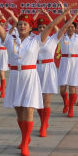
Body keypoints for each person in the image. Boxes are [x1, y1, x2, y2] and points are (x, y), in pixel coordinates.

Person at [0, 0, 72, 156]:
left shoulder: (36, 40)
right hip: (15, 76)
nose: (21, 26)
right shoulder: (9, 40)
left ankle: (25, 142)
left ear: (30, 28)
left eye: (25, 24)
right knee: (19, 110)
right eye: (20, 24)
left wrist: (64, 15)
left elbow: (51, 27)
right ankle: (24, 138)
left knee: (28, 109)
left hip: (30, 77)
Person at [54, 7, 78, 117]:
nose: (71, 28)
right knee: (62, 89)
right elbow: (53, 24)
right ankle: (66, 103)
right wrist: (65, 12)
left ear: (75, 28)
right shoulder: (62, 36)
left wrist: (76, 13)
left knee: (73, 87)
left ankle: (71, 109)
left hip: (75, 63)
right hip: (64, 62)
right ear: (66, 28)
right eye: (69, 26)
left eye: (73, 26)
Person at [34, 9, 60, 137]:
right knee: (38, 100)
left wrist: (49, 16)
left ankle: (44, 125)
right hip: (36, 70)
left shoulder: (53, 39)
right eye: (40, 27)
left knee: (46, 101)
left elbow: (60, 29)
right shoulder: (33, 39)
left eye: (45, 26)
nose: (42, 28)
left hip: (49, 69)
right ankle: (43, 120)